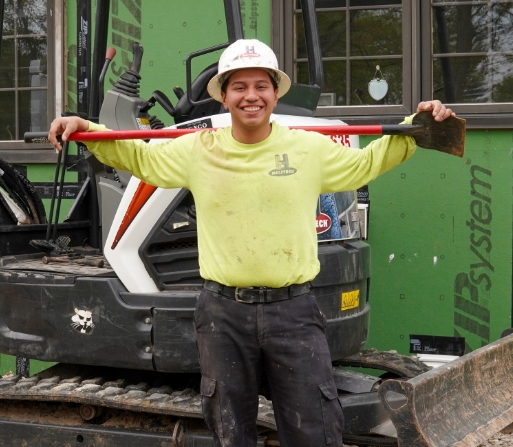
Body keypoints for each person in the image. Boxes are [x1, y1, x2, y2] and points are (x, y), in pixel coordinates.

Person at [48, 39, 455, 447]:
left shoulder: (308, 147)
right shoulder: (197, 149)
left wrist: (416, 124)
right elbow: (138, 157)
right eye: (239, 86)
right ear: (223, 96)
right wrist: (87, 130)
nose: (251, 96)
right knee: (231, 433)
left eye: (261, 85)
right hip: (223, 314)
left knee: (314, 431)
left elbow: (366, 163)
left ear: (275, 93)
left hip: (293, 312)